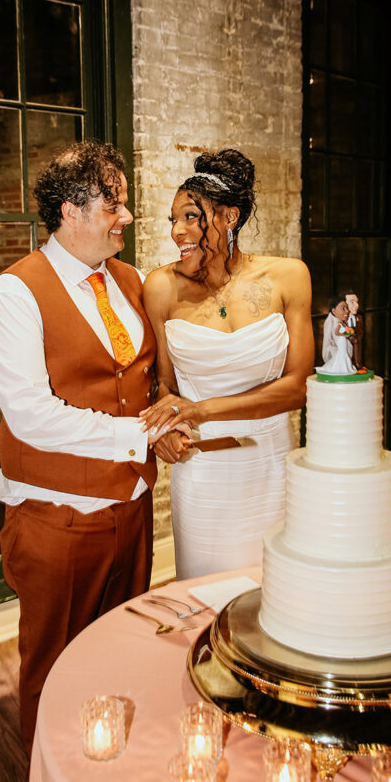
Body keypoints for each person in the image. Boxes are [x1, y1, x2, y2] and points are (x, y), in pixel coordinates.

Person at [0, 141, 185, 753]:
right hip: (56, 518)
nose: (125, 216)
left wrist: (171, 419)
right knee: (54, 668)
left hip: (132, 510)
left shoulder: (129, 281)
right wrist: (141, 436)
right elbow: (32, 417)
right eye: (112, 204)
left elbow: (139, 378)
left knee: (122, 650)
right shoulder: (15, 294)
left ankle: (112, 771)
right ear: (69, 209)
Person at [139, 149, 314, 579]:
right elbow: (165, 386)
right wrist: (166, 429)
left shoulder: (288, 277)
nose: (177, 231)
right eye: (173, 220)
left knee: (276, 588)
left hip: (271, 463)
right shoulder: (160, 287)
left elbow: (298, 387)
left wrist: (202, 410)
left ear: (229, 217)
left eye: (190, 217)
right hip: (202, 470)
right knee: (203, 593)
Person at [319, 295, 357, 375]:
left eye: (347, 308)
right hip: (340, 342)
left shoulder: (344, 323)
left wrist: (349, 333)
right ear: (334, 311)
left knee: (344, 355)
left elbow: (347, 331)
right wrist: (344, 335)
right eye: (343, 308)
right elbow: (336, 333)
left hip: (343, 342)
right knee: (341, 355)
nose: (347, 311)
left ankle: (346, 368)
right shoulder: (337, 324)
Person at [344, 288, 365, 369]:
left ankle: (357, 364)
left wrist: (357, 337)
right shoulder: (342, 319)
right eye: (352, 302)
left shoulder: (358, 318)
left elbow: (361, 330)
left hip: (357, 342)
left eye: (357, 302)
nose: (356, 305)